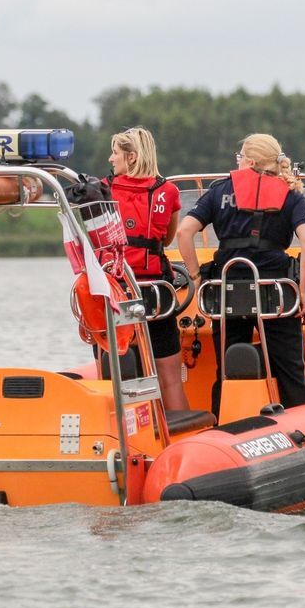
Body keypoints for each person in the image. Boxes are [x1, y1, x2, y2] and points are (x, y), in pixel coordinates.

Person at [175, 133, 305, 416]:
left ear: (250, 161)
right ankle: (301, 428)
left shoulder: (218, 191)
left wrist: (195, 275)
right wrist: (303, 292)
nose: (237, 161)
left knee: (227, 370)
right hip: (277, 296)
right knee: (291, 372)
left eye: (239, 157)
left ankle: (224, 427)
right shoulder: (291, 195)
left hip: (227, 294)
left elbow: (184, 232)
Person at [106, 127, 189, 411]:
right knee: (170, 378)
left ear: (130, 157)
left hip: (117, 292)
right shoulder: (167, 191)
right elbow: (166, 238)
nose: (110, 159)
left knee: (117, 373)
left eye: (115, 153)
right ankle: (181, 435)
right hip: (157, 293)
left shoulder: (104, 189)